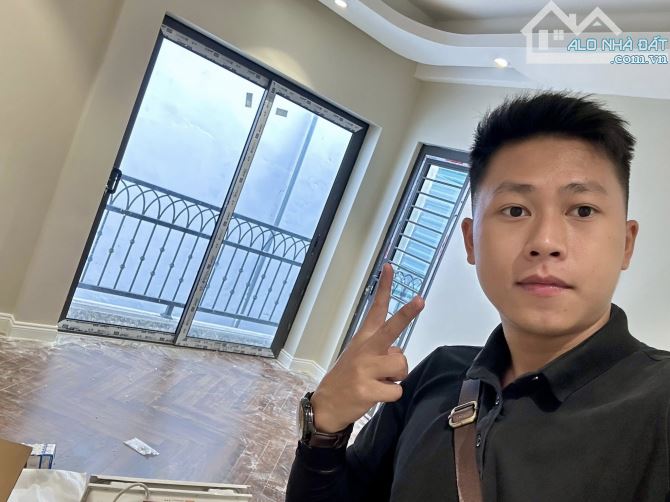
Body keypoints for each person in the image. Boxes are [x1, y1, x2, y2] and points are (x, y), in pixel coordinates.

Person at [286, 91, 670, 501]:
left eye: (582, 210)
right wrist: (323, 428)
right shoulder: (438, 375)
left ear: (626, 243)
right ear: (471, 241)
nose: (545, 242)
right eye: (516, 210)